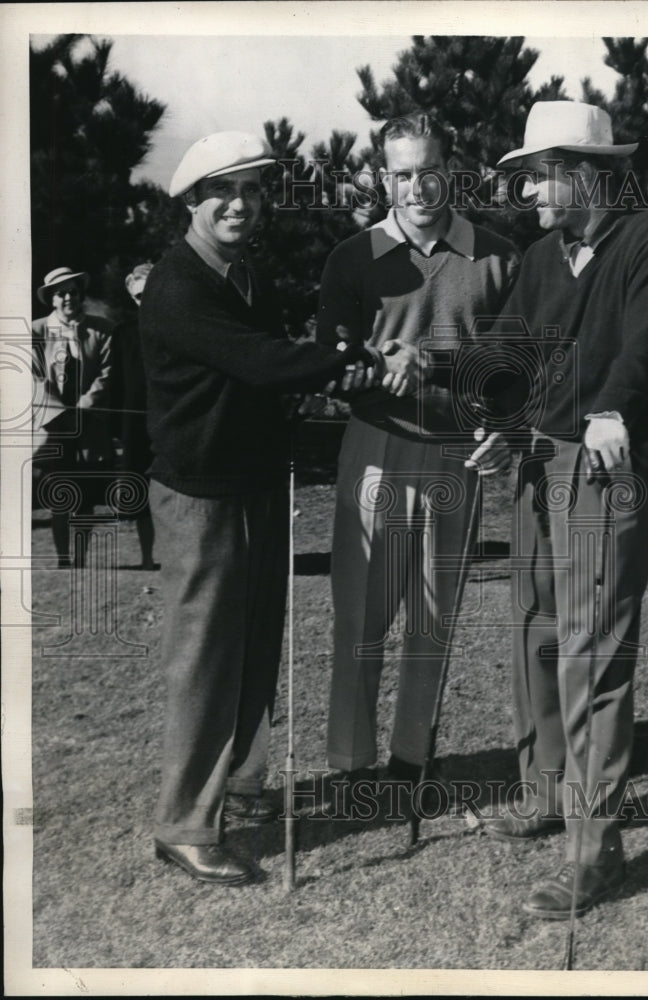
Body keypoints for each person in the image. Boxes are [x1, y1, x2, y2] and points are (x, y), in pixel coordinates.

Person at [140, 130, 418, 885]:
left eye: (254, 190)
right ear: (191, 201)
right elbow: (262, 361)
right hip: (200, 498)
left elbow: (276, 373)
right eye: (223, 191)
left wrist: (346, 376)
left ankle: (240, 782)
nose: (240, 205)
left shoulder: (244, 274)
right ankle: (183, 825)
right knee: (205, 661)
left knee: (257, 645)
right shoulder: (179, 286)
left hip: (256, 484)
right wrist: (362, 359)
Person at [478, 101, 648, 918]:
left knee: (591, 655)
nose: (528, 191)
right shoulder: (540, 255)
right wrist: (493, 417)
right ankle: (542, 794)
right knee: (535, 632)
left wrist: (612, 407)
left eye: (537, 175)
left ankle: (592, 854)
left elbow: (645, 343)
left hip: (606, 464)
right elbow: (507, 350)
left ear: (586, 174)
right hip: (536, 459)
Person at [316, 112, 518, 799]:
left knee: (432, 618)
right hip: (375, 446)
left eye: (428, 170)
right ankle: (349, 763)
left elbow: (514, 364)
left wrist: (442, 371)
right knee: (361, 617)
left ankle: (411, 759)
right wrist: (374, 364)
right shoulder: (352, 257)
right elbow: (329, 363)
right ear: (382, 176)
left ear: (451, 171)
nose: (415, 187)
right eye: (400, 173)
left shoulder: (498, 254)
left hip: (458, 454)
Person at [31, 267, 113, 568]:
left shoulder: (100, 329)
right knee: (60, 495)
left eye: (73, 292)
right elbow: (32, 376)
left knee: (86, 496)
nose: (68, 298)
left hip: (89, 425)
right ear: (51, 299)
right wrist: (59, 414)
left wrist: (83, 406)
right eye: (61, 293)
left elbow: (107, 375)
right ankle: (63, 558)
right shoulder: (36, 330)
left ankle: (80, 558)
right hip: (54, 426)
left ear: (80, 296)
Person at [111, 263, 156, 570]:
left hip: (175, 420)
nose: (145, 301)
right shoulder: (124, 333)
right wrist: (117, 428)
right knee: (140, 494)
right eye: (139, 296)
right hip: (135, 424)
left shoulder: (181, 325)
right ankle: (146, 558)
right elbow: (115, 383)